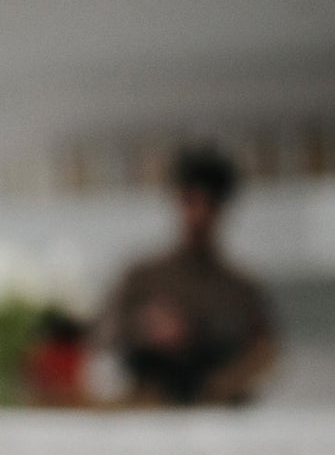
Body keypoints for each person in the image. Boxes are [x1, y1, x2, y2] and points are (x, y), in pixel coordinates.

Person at [100, 145, 278, 405]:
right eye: (190, 201)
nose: (198, 215)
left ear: (222, 209)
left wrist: (222, 384)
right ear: (177, 201)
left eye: (210, 204)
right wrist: (145, 327)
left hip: (223, 416)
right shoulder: (143, 277)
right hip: (151, 414)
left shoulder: (242, 290)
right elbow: (102, 336)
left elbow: (266, 353)